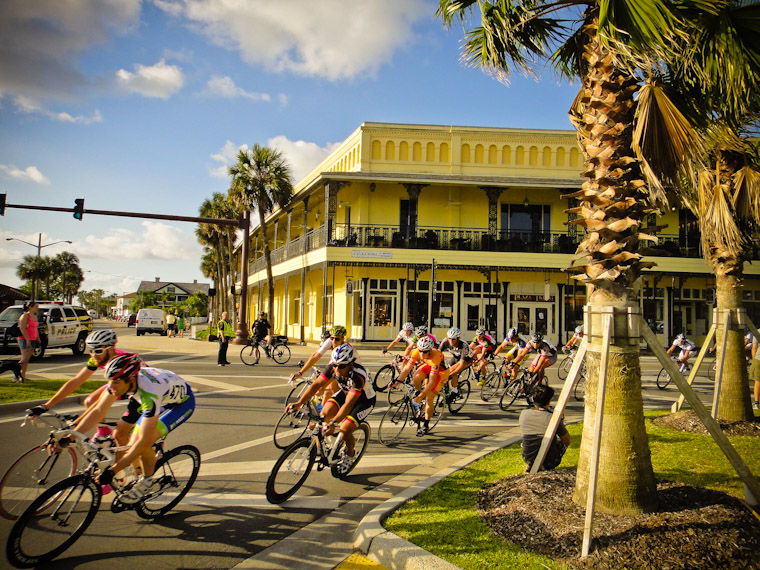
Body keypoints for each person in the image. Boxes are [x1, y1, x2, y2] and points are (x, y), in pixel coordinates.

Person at [72, 353, 195, 504]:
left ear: (130, 379)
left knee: (144, 442)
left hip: (180, 404)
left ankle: (146, 481)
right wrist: (70, 436)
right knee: (126, 437)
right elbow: (98, 412)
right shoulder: (123, 384)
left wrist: (113, 470)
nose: (111, 387)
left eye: (116, 382)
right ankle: (137, 472)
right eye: (110, 381)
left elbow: (142, 441)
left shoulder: (149, 394)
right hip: (161, 396)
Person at [286, 344, 375, 468]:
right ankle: (325, 448)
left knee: (345, 429)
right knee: (324, 414)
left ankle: (350, 454)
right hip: (345, 392)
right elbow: (315, 385)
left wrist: (333, 422)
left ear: (351, 364)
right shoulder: (333, 368)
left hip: (364, 401)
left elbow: (349, 404)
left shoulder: (358, 376)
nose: (337, 369)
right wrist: (299, 403)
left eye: (342, 366)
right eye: (335, 365)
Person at [394, 336, 450, 436]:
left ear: (430, 351)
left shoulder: (435, 356)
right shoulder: (416, 352)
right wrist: (397, 382)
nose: (421, 354)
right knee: (416, 376)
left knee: (429, 398)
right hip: (428, 366)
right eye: (420, 351)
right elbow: (406, 369)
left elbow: (432, 381)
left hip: (441, 372)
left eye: (424, 352)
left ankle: (426, 424)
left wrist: (421, 396)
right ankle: (419, 395)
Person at [519, 384, 570, 472]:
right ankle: (546, 466)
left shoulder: (524, 414)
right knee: (560, 442)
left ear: (532, 399)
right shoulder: (553, 418)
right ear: (549, 401)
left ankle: (531, 465)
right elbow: (566, 439)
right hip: (549, 459)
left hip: (528, 456)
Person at [438, 327, 472, 403]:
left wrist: (452, 374)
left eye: (453, 339)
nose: (451, 341)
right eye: (449, 338)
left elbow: (461, 364)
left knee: (452, 373)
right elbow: (437, 354)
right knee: (445, 372)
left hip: (466, 360)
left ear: (458, 338)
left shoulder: (463, 345)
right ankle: (446, 392)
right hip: (456, 357)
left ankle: (455, 391)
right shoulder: (445, 341)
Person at [16, 301, 39, 383]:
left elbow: (36, 328)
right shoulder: (25, 316)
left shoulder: (35, 317)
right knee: (24, 358)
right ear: (30, 307)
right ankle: (17, 374)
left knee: (27, 359)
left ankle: (23, 375)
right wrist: (27, 339)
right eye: (36, 307)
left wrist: (38, 338)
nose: (37, 308)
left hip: (33, 338)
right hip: (24, 339)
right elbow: (22, 328)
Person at [750, 334, 759, 411]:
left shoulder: (757, 332)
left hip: (759, 359)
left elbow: (754, 347)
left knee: (757, 381)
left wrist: (754, 360)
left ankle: (756, 403)